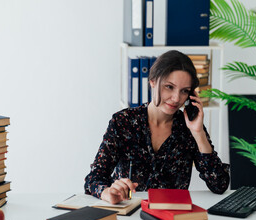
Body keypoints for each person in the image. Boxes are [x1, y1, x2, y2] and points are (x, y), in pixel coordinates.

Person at [84, 50, 230, 204]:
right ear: (152, 81)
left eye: (184, 91)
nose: (176, 98)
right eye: (169, 87)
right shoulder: (123, 122)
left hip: (172, 216)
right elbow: (93, 179)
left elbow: (219, 184)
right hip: (130, 216)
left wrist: (198, 133)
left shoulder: (189, 128)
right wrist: (108, 192)